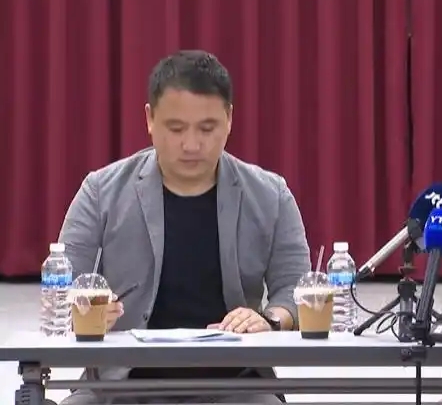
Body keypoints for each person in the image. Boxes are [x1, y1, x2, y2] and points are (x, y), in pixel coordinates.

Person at [58, 50, 311, 404]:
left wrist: (269, 319)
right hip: (120, 386)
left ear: (229, 119)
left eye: (207, 128)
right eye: (176, 129)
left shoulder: (271, 195)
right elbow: (61, 292)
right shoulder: (100, 191)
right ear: (149, 119)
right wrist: (86, 312)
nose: (192, 145)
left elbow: (298, 292)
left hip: (237, 386)